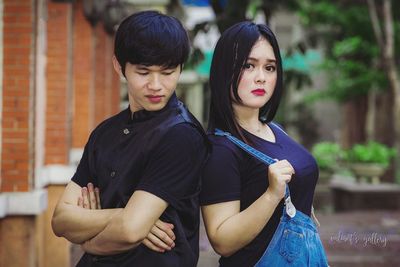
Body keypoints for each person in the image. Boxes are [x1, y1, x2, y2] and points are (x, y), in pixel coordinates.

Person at [51, 10, 208, 267]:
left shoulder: (181, 135)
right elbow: (60, 220)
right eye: (144, 72)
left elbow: (130, 231)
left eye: (167, 72)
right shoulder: (104, 133)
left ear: (180, 68)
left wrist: (88, 242)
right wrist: (121, 216)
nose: (156, 85)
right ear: (119, 66)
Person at [200, 21, 327, 266]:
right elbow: (222, 241)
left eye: (270, 68)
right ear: (225, 70)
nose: (262, 78)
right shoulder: (221, 150)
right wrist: (271, 195)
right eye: (249, 66)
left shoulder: (275, 129)